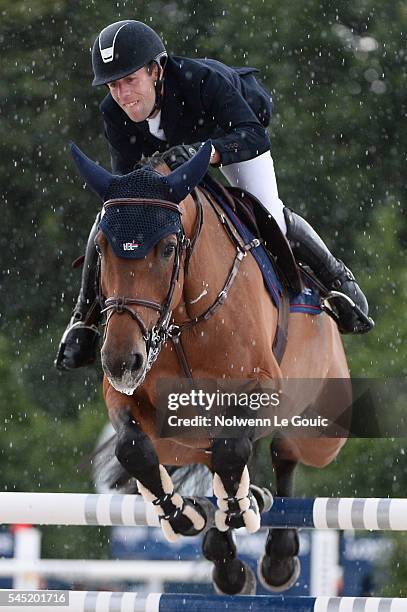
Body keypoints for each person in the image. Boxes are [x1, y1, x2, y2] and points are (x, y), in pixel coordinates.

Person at [55, 20, 373, 370]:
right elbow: (126, 183)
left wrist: (205, 154)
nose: (123, 94)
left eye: (130, 80)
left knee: (270, 214)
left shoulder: (203, 81)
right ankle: (83, 318)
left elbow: (254, 136)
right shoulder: (112, 111)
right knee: (111, 219)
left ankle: (339, 282)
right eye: (114, 85)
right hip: (177, 160)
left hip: (233, 140)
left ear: (156, 70)